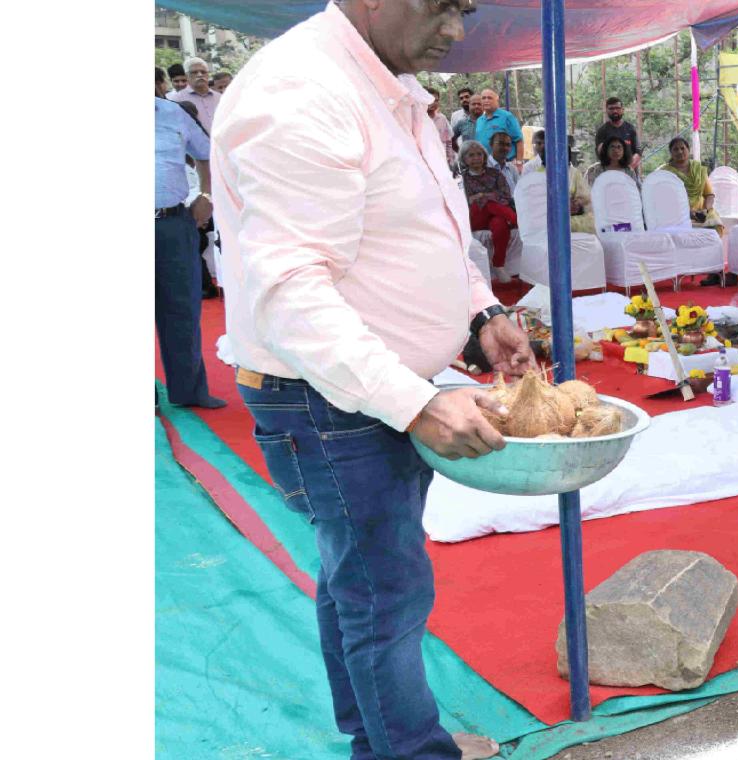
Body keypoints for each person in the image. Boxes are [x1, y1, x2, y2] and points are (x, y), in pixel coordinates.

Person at [211, 1, 529, 757]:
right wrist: (416, 404)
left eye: (466, 9)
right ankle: (409, 748)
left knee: (359, 579)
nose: (456, 32)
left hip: (372, 391)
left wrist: (482, 312)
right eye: (443, 5)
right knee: (384, 594)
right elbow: (292, 292)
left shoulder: (387, 83)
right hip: (331, 398)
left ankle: (379, 734)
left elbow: (427, 228)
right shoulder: (301, 90)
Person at [154, 66, 221, 410]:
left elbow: (207, 154)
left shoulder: (174, 114)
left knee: (182, 308)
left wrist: (206, 196)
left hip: (173, 223)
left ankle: (190, 391)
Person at [459, 140, 519, 269]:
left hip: (497, 214)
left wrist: (481, 196)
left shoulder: (495, 173)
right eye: (471, 155)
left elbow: (506, 195)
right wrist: (488, 197)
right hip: (475, 218)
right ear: (464, 158)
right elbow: (465, 201)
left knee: (499, 223)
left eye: (479, 154)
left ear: (484, 156)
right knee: (487, 203)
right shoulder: (462, 178)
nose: (476, 158)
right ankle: (517, 220)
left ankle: (498, 265)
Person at [523, 129, 594, 234]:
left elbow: (586, 198)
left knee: (593, 224)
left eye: (561, 152)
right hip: (548, 217)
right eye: (553, 152)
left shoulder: (574, 173)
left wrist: (577, 204)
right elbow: (534, 202)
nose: (557, 156)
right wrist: (562, 206)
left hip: (572, 217)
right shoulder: (537, 174)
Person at [663, 136, 715, 220]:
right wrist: (686, 212)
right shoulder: (665, 173)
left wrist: (706, 210)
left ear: (688, 150)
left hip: (702, 213)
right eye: (675, 149)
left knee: (715, 225)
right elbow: (665, 199)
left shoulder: (698, 169)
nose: (680, 151)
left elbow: (709, 195)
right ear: (671, 153)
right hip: (677, 215)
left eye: (682, 148)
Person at [168, 56, 222, 134]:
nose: (200, 75)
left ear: (208, 75)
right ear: (187, 76)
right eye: (194, 72)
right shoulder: (177, 100)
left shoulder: (220, 98)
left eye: (203, 72)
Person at [472, 88, 522, 156]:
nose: (486, 100)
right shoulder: (479, 120)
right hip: (484, 163)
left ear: (497, 100)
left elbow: (519, 140)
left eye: (489, 98)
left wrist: (519, 162)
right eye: (483, 98)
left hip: (504, 163)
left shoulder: (507, 117)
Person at [595, 96, 638, 161]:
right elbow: (600, 153)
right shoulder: (602, 131)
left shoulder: (631, 129)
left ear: (622, 110)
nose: (615, 111)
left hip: (629, 168)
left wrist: (628, 167)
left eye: (618, 108)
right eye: (611, 108)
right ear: (607, 110)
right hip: (609, 169)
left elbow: (638, 152)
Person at [427, 87, 455, 166]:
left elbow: (449, 142)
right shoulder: (419, 119)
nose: (434, 103)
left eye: (436, 100)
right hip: (426, 161)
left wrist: (451, 162)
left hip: (442, 161)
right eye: (431, 99)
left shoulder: (442, 118)